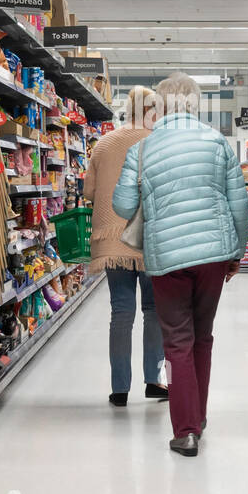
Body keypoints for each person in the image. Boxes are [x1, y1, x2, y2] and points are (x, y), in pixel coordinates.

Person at [113, 72, 248, 457]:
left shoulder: (142, 150)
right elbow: (239, 204)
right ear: (195, 104)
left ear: (159, 107)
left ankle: (185, 430)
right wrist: (236, 252)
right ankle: (199, 416)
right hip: (213, 255)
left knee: (176, 342)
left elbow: (122, 206)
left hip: (167, 258)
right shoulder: (217, 142)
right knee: (202, 337)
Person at [83, 86, 167, 408]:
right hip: (148, 238)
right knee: (154, 311)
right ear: (150, 110)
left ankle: (119, 389)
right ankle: (153, 381)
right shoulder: (158, 141)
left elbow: (89, 191)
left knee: (121, 311)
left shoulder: (104, 143)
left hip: (112, 240)